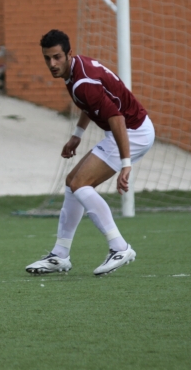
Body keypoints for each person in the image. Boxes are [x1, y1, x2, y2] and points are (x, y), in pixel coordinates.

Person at [25, 29, 155, 277]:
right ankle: (60, 254)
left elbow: (116, 118)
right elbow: (91, 105)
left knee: (81, 184)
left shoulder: (83, 83)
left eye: (56, 58)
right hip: (127, 130)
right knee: (71, 183)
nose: (52, 64)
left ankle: (120, 247)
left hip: (132, 132)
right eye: (47, 58)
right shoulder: (76, 70)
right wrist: (77, 135)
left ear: (68, 54)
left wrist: (126, 164)